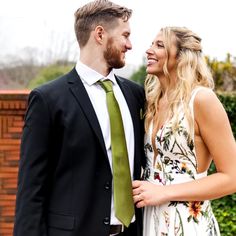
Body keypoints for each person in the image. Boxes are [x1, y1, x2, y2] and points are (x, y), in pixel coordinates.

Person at [13, 0, 145, 235]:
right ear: (100, 34)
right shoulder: (48, 99)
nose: (130, 45)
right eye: (125, 35)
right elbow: (31, 188)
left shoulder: (135, 94)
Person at [132, 26, 236, 236]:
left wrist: (164, 192)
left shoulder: (201, 99)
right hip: (149, 219)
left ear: (181, 57)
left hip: (188, 223)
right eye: (152, 44)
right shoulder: (152, 101)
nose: (149, 50)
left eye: (159, 45)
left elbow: (232, 177)